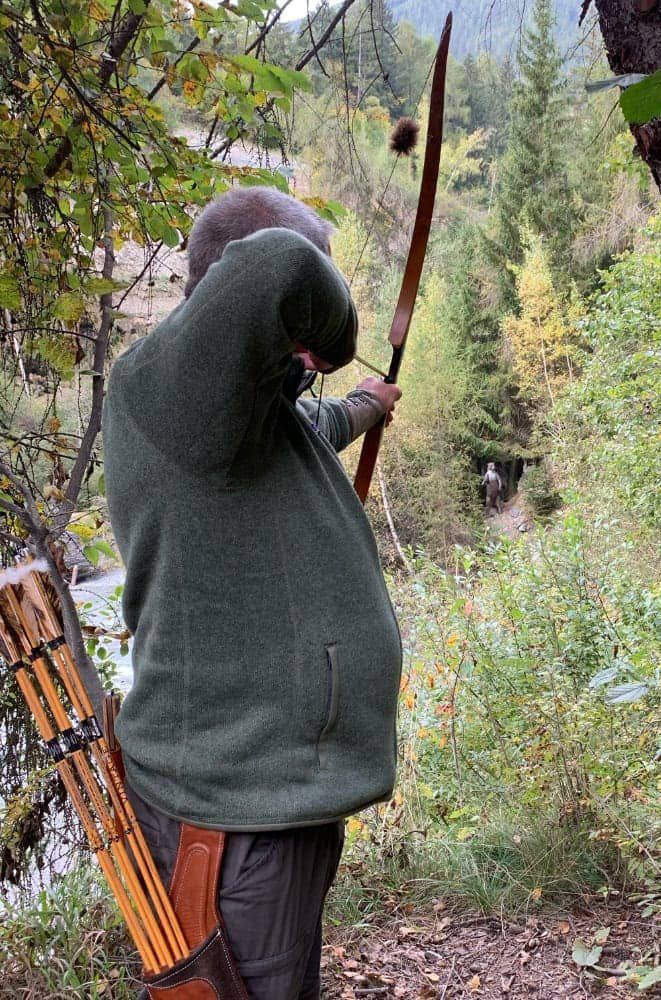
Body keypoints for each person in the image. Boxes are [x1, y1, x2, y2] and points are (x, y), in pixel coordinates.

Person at [102, 186, 403, 999]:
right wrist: (331, 341)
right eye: (299, 334)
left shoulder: (241, 416)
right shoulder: (168, 390)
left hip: (267, 792)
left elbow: (308, 433)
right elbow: (282, 260)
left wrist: (363, 406)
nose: (304, 358)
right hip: (235, 806)